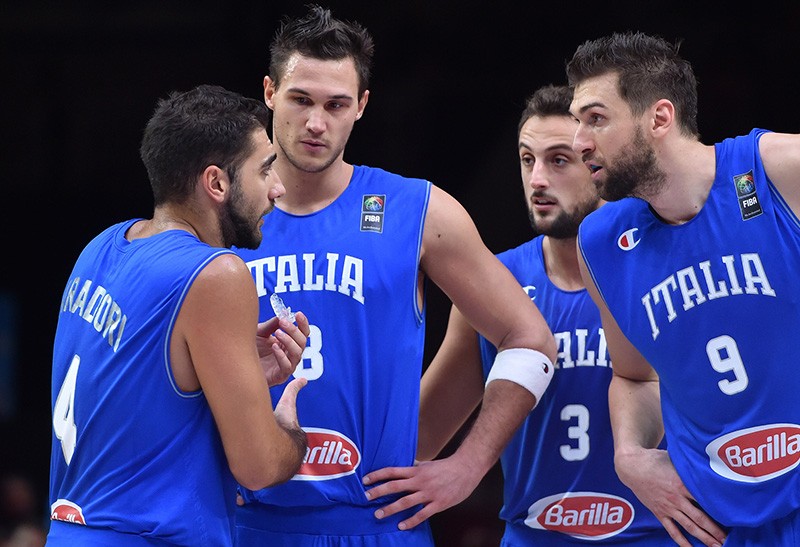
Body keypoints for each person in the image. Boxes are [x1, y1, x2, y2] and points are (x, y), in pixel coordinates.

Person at [232, 5, 557, 546]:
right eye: (301, 99)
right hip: (246, 522)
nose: (316, 122)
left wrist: (468, 467)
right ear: (269, 93)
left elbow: (531, 339)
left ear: (361, 106)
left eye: (336, 104)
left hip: (376, 525)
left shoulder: (417, 210)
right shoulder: (221, 214)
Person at [385, 84, 674, 545]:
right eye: (527, 159)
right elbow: (416, 437)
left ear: (597, 160)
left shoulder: (664, 266)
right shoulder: (494, 286)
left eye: (559, 160)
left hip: (655, 535)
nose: (537, 178)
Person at [47, 84, 310, 546]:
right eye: (265, 168)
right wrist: (289, 431)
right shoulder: (217, 274)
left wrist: (231, 374)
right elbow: (259, 466)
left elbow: (133, 397)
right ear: (216, 183)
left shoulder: (101, 247)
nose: (277, 187)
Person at [567, 31, 800, 547]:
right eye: (577, 120)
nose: (580, 140)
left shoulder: (780, 171)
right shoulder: (601, 243)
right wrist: (629, 458)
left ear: (659, 117)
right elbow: (632, 377)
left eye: (596, 119)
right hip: (713, 523)